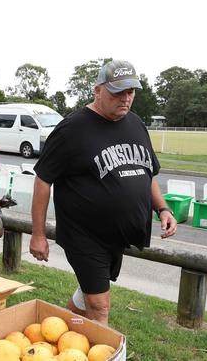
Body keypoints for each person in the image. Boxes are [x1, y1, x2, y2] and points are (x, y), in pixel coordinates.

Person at [29, 60, 178, 324]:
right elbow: (43, 180)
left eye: (130, 92)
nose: (126, 98)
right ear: (97, 90)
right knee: (99, 306)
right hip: (84, 234)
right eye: (118, 92)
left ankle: (55, 331)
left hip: (117, 236)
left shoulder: (135, 124)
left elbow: (147, 173)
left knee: (87, 296)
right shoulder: (72, 129)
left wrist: (163, 208)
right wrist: (38, 235)